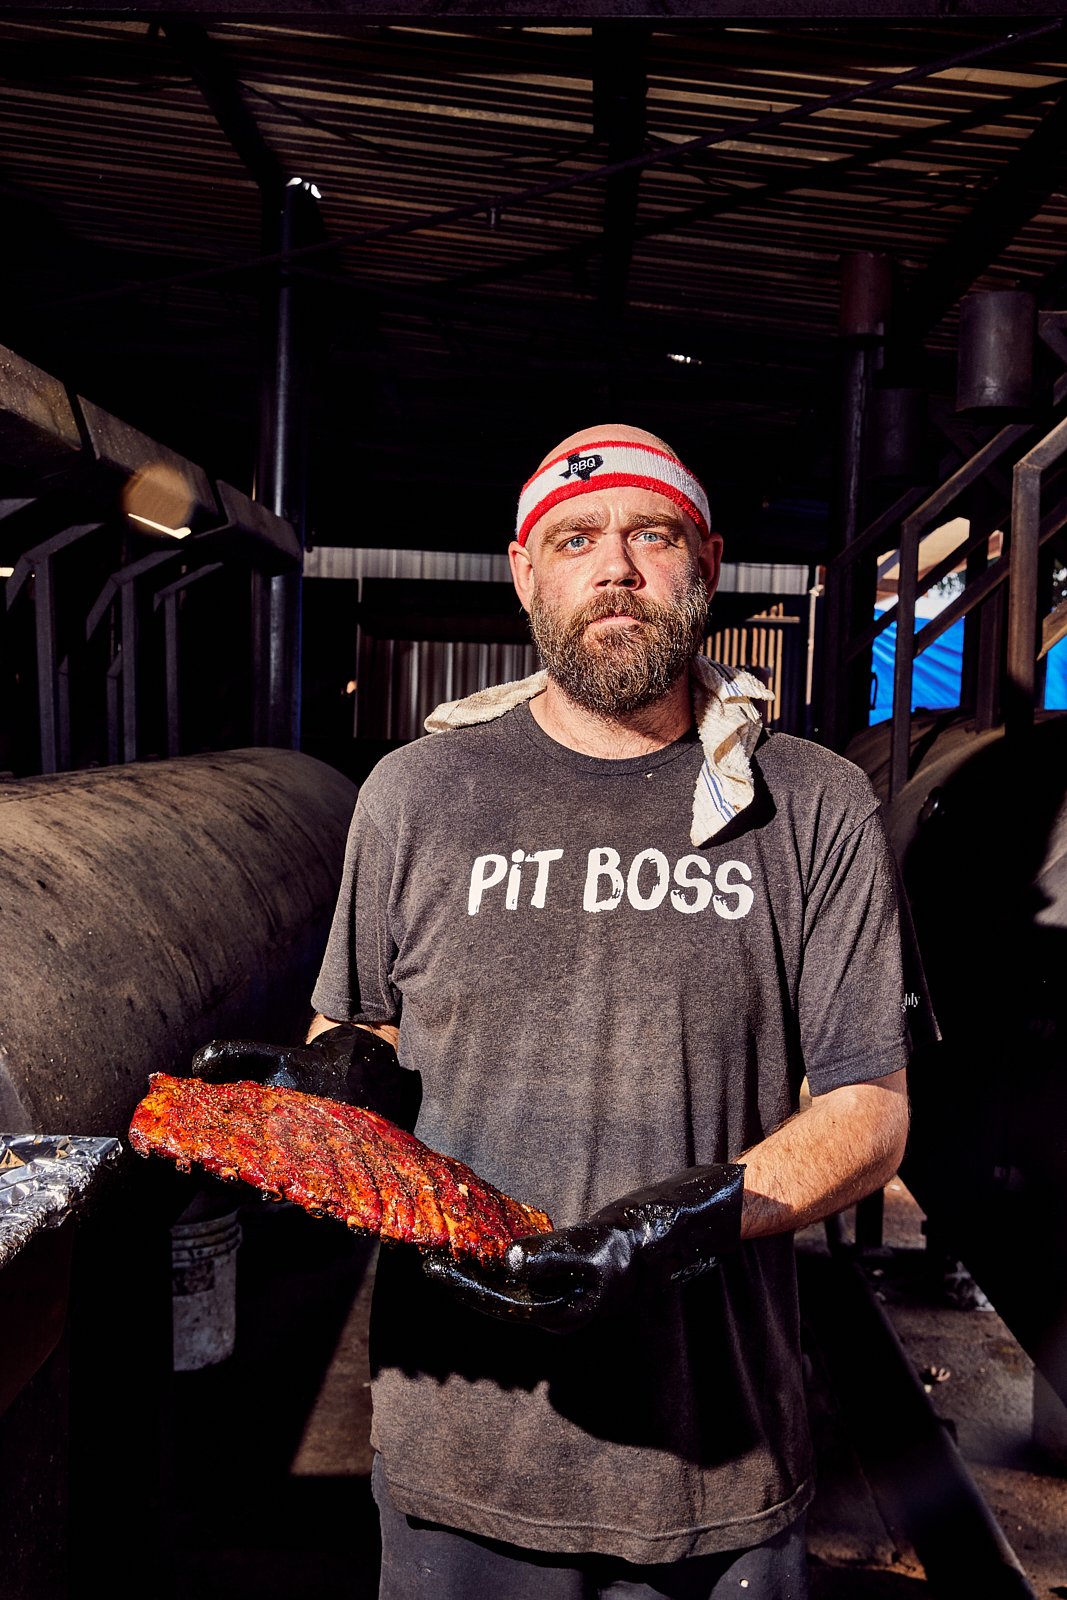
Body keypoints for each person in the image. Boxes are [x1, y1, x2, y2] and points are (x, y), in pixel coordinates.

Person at [198, 424, 911, 1599]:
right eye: (574, 539)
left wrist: (666, 1226)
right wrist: (332, 1087)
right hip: (458, 1440)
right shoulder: (416, 792)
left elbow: (866, 1112)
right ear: (526, 572)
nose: (614, 566)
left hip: (712, 1457)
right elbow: (365, 1022)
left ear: (707, 563)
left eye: (651, 534)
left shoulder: (812, 803)